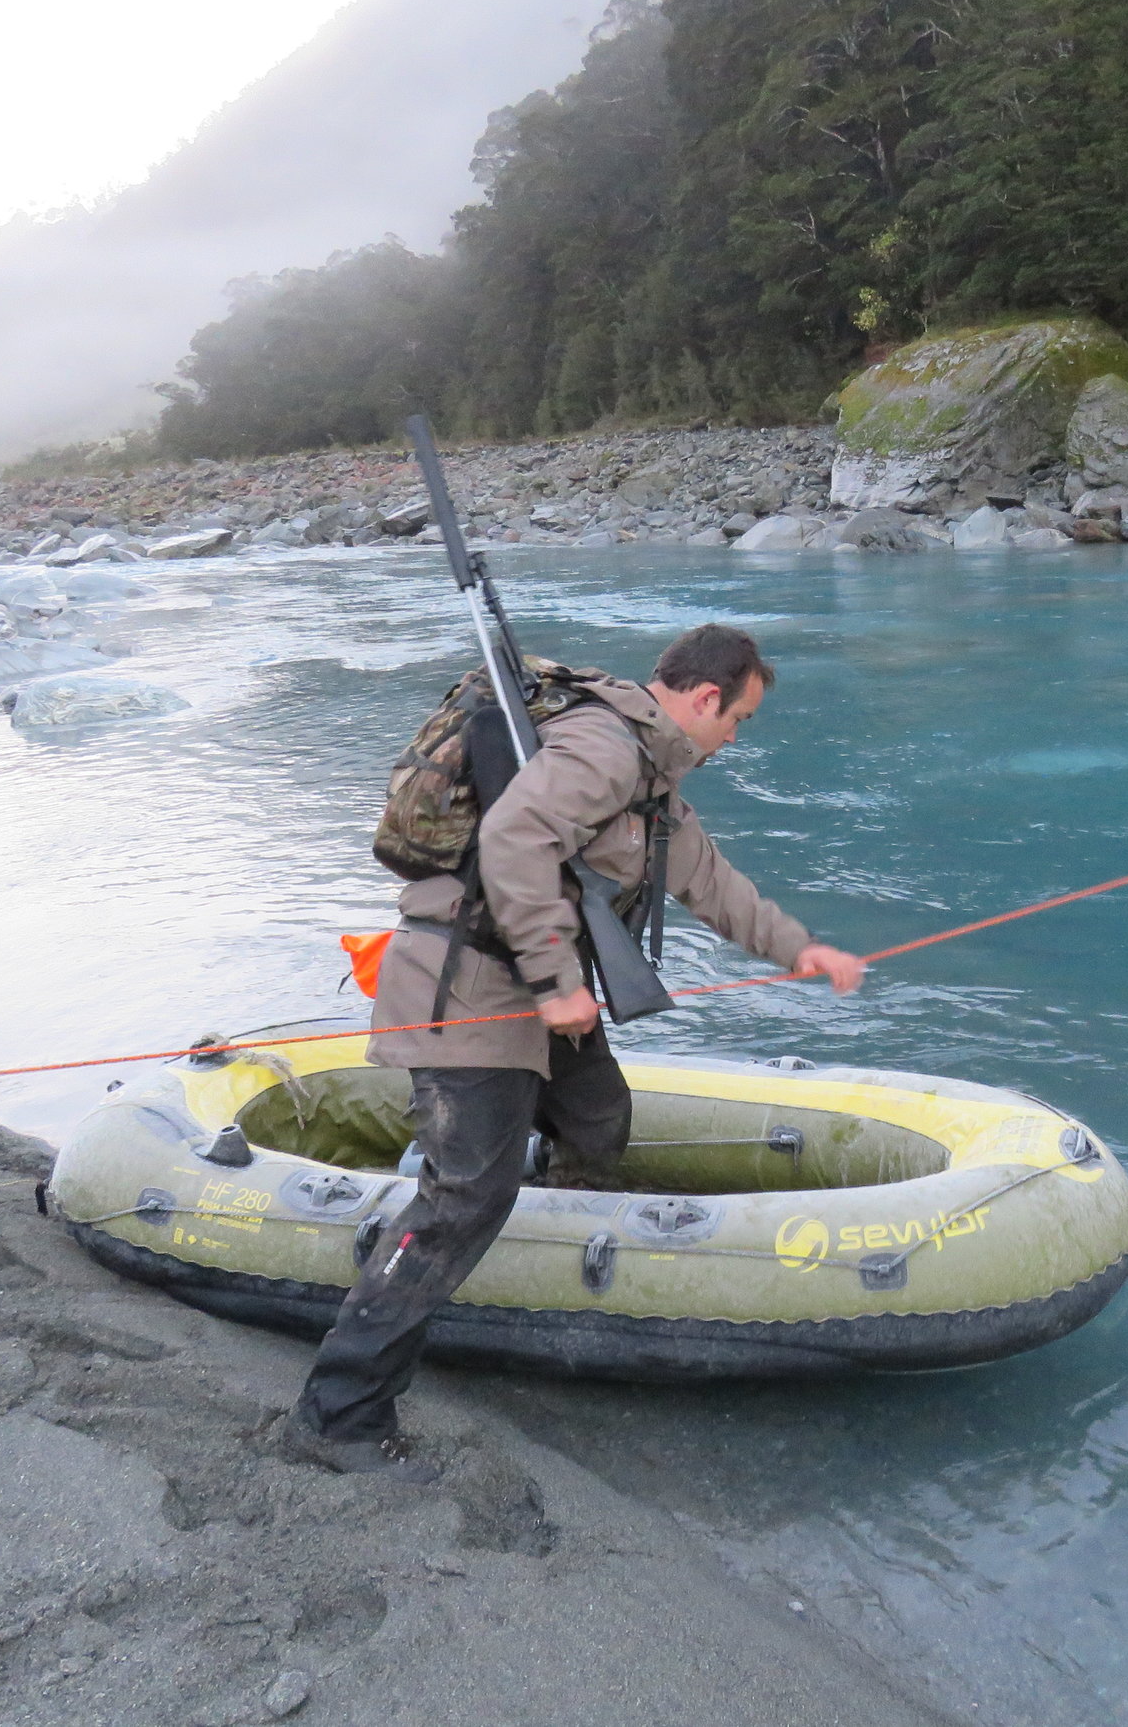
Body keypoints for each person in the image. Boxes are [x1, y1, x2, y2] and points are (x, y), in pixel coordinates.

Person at [286, 622, 865, 1474]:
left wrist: (798, 949)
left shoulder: (651, 772)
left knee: (598, 1116)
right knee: (461, 1203)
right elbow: (512, 841)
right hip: (471, 992)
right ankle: (338, 1415)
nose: (734, 737)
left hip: (532, 994)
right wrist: (559, 980)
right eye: (738, 718)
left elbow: (709, 880)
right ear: (705, 697)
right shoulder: (605, 747)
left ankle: (545, 1257)